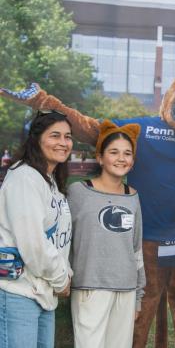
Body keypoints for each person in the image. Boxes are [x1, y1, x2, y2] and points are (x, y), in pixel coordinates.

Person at [68, 119, 146, 348]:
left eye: (127, 153)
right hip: (90, 289)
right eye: (114, 152)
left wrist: (138, 296)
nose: (121, 158)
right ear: (100, 157)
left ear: (132, 161)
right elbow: (62, 240)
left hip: (126, 290)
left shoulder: (133, 196)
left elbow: (136, 248)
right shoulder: (78, 192)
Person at [0, 111, 73, 348]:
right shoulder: (24, 178)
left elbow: (58, 240)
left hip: (43, 292)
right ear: (36, 139)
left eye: (68, 136)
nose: (63, 143)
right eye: (55, 136)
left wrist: (64, 274)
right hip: (17, 293)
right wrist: (62, 280)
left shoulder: (49, 180)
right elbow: (33, 244)